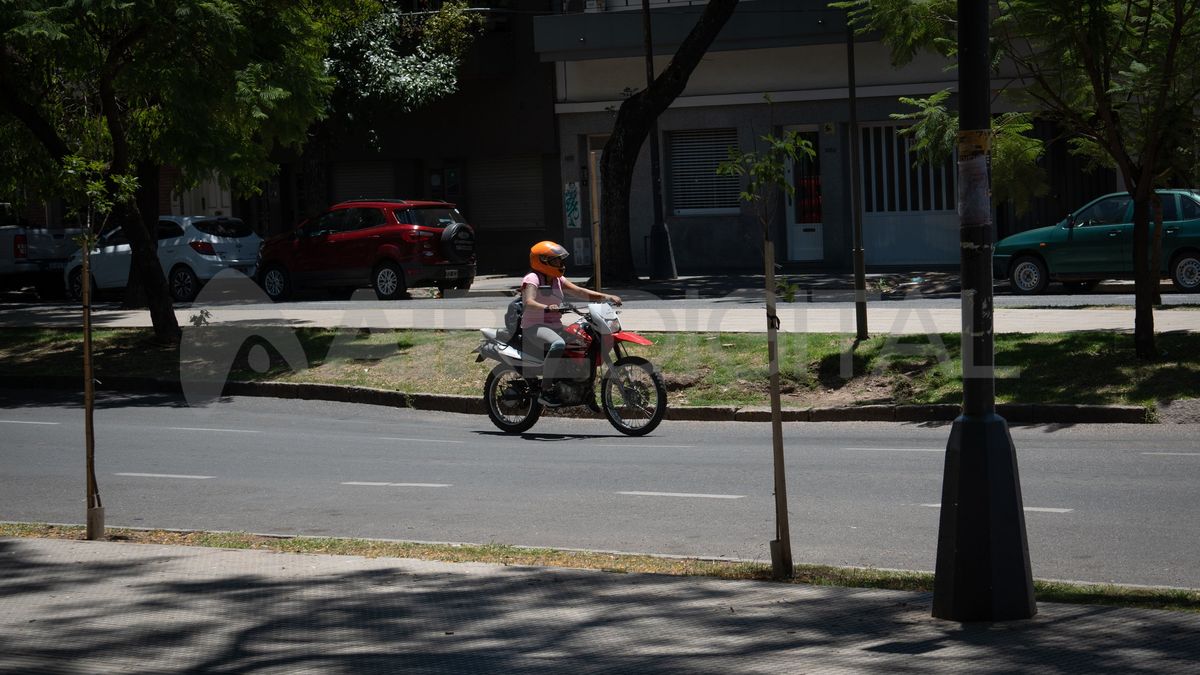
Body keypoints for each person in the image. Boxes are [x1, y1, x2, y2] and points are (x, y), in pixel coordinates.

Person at [522, 241, 621, 405]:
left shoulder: (557, 279)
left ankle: (584, 390)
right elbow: (528, 302)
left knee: (586, 343)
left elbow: (580, 292)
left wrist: (606, 297)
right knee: (558, 344)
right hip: (534, 326)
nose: (561, 264)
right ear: (543, 261)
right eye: (556, 260)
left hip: (554, 326)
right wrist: (547, 307)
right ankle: (545, 390)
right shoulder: (532, 278)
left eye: (561, 260)